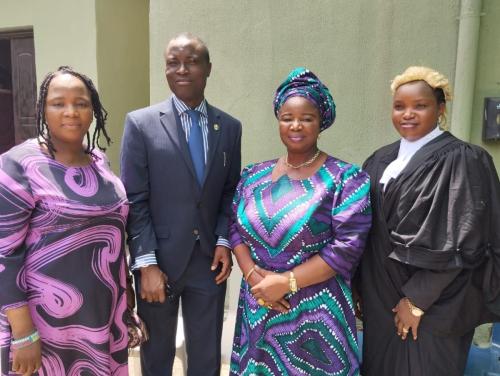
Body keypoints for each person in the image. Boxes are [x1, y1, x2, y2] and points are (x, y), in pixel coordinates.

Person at [357, 66, 500, 375]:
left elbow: (464, 238)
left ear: (440, 108)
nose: (408, 114)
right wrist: (359, 287)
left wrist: (417, 300)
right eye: (399, 106)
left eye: (419, 106)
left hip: (434, 304)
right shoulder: (380, 159)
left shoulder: (464, 160)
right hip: (380, 298)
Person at [229, 67, 371, 375]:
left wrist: (285, 282)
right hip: (260, 306)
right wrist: (256, 279)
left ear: (321, 122)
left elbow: (347, 248)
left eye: (307, 118)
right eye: (287, 117)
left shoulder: (345, 178)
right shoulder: (253, 176)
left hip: (315, 315)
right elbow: (235, 229)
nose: (296, 125)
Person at [120, 32, 242, 376]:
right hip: (158, 263)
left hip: (208, 264)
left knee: (205, 358)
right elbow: (135, 200)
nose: (182, 70)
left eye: (191, 62)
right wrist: (145, 264)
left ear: (208, 68)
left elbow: (229, 191)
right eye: (173, 63)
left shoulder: (229, 128)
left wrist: (222, 239)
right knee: (156, 357)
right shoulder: (141, 124)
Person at [0, 66, 129, 375]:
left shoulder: (100, 162)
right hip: (45, 326)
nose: (71, 112)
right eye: (59, 103)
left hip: (102, 316)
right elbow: (4, 256)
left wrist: (128, 302)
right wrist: (24, 333)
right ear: (43, 109)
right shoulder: (19, 166)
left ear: (93, 109)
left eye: (81, 103)